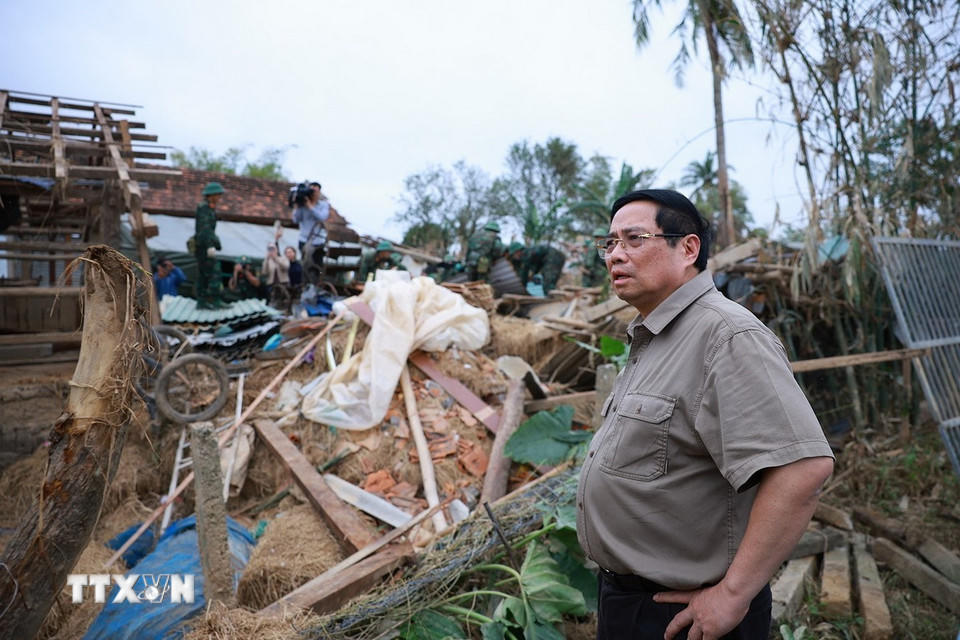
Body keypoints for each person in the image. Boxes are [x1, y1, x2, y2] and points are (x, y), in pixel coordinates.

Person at [576, 189, 834, 640]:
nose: (616, 254)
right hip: (629, 602)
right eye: (610, 243)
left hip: (685, 616)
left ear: (688, 248)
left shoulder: (726, 336)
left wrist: (734, 594)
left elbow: (803, 468)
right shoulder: (655, 336)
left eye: (634, 239)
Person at [193, 182, 226, 309]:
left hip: (203, 245)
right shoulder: (204, 208)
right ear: (211, 195)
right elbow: (205, 229)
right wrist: (209, 246)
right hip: (204, 245)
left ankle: (202, 301)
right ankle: (214, 300)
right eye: (218, 195)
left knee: (204, 273)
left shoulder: (208, 207)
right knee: (214, 271)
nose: (219, 198)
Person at [291, 181, 330, 284]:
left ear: (319, 192)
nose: (313, 193)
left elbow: (322, 217)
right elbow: (295, 220)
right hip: (304, 240)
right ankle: (305, 286)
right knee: (305, 265)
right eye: (311, 190)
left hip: (318, 242)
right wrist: (297, 206)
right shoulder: (302, 206)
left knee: (316, 267)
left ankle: (316, 286)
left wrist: (310, 207)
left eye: (315, 191)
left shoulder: (323, 205)